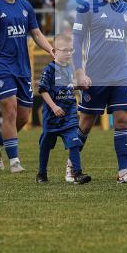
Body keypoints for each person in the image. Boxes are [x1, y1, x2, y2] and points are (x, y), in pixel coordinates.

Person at [0, 0, 55, 174]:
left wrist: (51, 49)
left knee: (23, 117)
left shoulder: (25, 5)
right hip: (1, 66)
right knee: (10, 110)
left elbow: (36, 33)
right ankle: (14, 162)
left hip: (23, 67)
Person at [71, 0, 127, 184]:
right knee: (86, 123)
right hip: (95, 75)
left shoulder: (126, 7)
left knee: (122, 120)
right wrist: (79, 72)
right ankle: (72, 166)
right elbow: (76, 41)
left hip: (121, 73)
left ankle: (123, 172)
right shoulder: (87, 7)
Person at [36, 33, 89, 185]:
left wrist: (79, 86)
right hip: (52, 117)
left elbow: (67, 87)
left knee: (75, 142)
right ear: (54, 51)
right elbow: (43, 90)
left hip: (69, 115)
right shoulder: (49, 70)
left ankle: (77, 173)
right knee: (45, 145)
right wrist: (53, 106)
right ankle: (41, 174)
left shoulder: (69, 68)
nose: (68, 53)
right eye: (65, 50)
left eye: (71, 50)